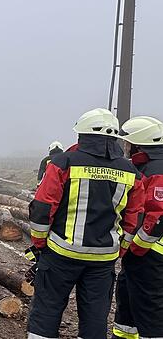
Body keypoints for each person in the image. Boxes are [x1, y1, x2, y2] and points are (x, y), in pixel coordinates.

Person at [26, 108, 145, 339]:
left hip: (61, 254)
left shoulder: (63, 162)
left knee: (47, 311)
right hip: (103, 260)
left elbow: (42, 207)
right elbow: (134, 218)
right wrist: (120, 249)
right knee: (95, 317)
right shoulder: (131, 171)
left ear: (82, 135)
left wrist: (40, 244)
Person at [112, 116, 163, 339]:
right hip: (141, 256)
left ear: (138, 143)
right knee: (127, 299)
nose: (126, 148)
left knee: (150, 311)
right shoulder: (146, 166)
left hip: (152, 255)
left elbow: (157, 216)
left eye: (128, 143)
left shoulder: (157, 169)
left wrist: (137, 247)